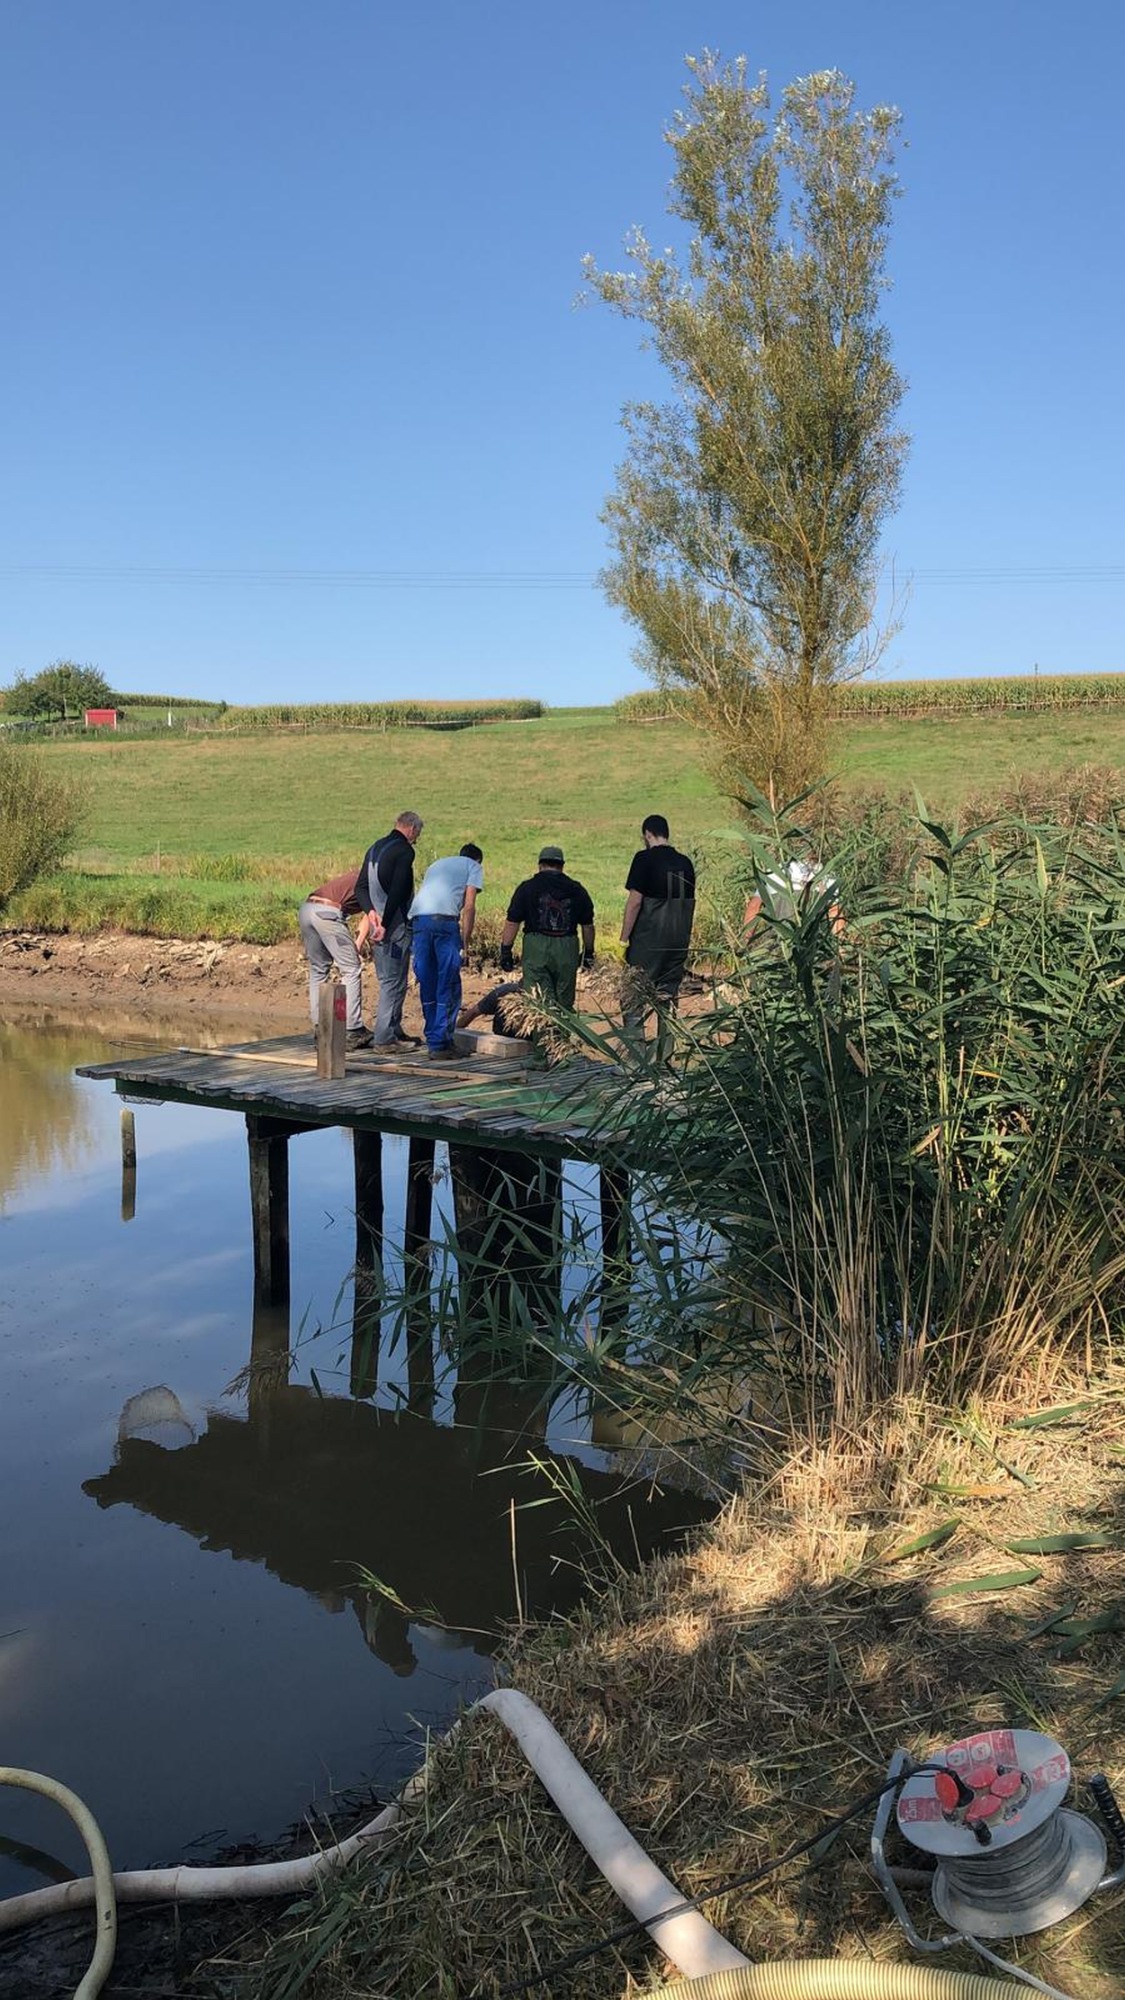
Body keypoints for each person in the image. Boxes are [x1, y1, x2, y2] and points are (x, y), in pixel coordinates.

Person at [619, 814, 696, 1042]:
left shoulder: (644, 859)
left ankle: (634, 1062)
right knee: (668, 997)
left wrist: (623, 940)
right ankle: (666, 1060)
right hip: (678, 941)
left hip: (649, 941)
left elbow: (634, 903)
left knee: (632, 995)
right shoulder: (686, 863)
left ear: (647, 834)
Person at [410, 842, 485, 1059]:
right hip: (445, 925)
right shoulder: (473, 866)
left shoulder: (437, 864)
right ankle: (442, 1043)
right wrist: (466, 942)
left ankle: (433, 1038)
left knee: (428, 981)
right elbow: (469, 905)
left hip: (420, 923)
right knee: (449, 983)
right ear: (477, 860)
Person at [356, 811, 424, 1048]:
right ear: (412, 829)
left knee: (388, 978)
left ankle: (394, 1028)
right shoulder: (405, 851)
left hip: (376, 922)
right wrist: (385, 925)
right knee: (393, 982)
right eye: (418, 834)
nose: (416, 839)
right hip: (394, 927)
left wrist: (370, 912)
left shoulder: (375, 847)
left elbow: (360, 887)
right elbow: (399, 890)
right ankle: (384, 1038)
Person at [499, 846, 594, 1010]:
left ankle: (542, 1035)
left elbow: (512, 922)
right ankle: (561, 1034)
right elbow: (588, 926)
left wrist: (506, 950)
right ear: (562, 866)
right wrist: (588, 952)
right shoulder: (577, 889)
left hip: (536, 947)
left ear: (540, 865)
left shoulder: (527, 888)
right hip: (567, 947)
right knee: (564, 1003)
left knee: (539, 1002)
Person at [297, 866, 376, 1052]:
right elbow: (369, 915)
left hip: (307, 909)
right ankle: (353, 1029)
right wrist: (358, 942)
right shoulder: (374, 881)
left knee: (318, 968)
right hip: (327, 914)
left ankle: (320, 1027)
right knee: (351, 969)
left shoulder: (356, 875)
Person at [743, 857, 844, 939]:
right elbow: (835, 912)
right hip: (814, 947)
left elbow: (754, 906)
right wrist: (839, 945)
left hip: (781, 943)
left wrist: (747, 939)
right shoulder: (827, 877)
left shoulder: (773, 872)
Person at [456, 979, 528, 1041]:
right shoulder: (503, 993)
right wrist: (456, 1032)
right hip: (502, 1038)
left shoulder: (536, 1005)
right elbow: (473, 1012)